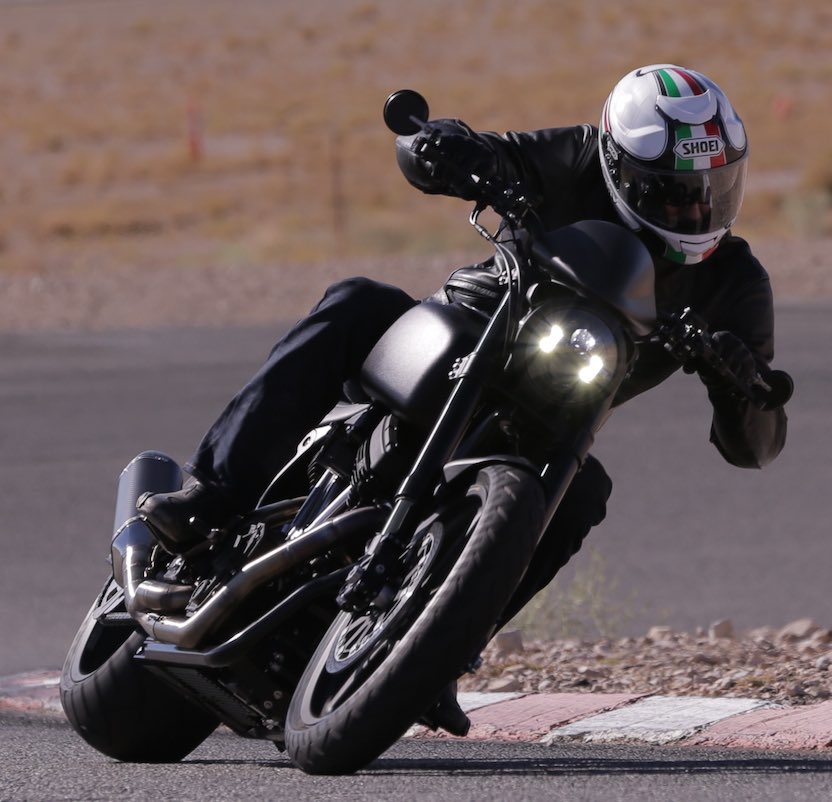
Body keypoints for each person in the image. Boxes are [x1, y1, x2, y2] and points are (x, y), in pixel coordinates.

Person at [139, 64, 789, 735]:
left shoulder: (734, 282)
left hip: (551, 416)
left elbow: (756, 446)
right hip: (471, 329)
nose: (696, 211)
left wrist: (742, 386)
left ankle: (438, 651)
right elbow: (480, 151)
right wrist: (445, 148)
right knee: (357, 303)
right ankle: (210, 496)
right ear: (619, 167)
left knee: (581, 494)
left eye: (711, 190)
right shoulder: (575, 158)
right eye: (674, 193)